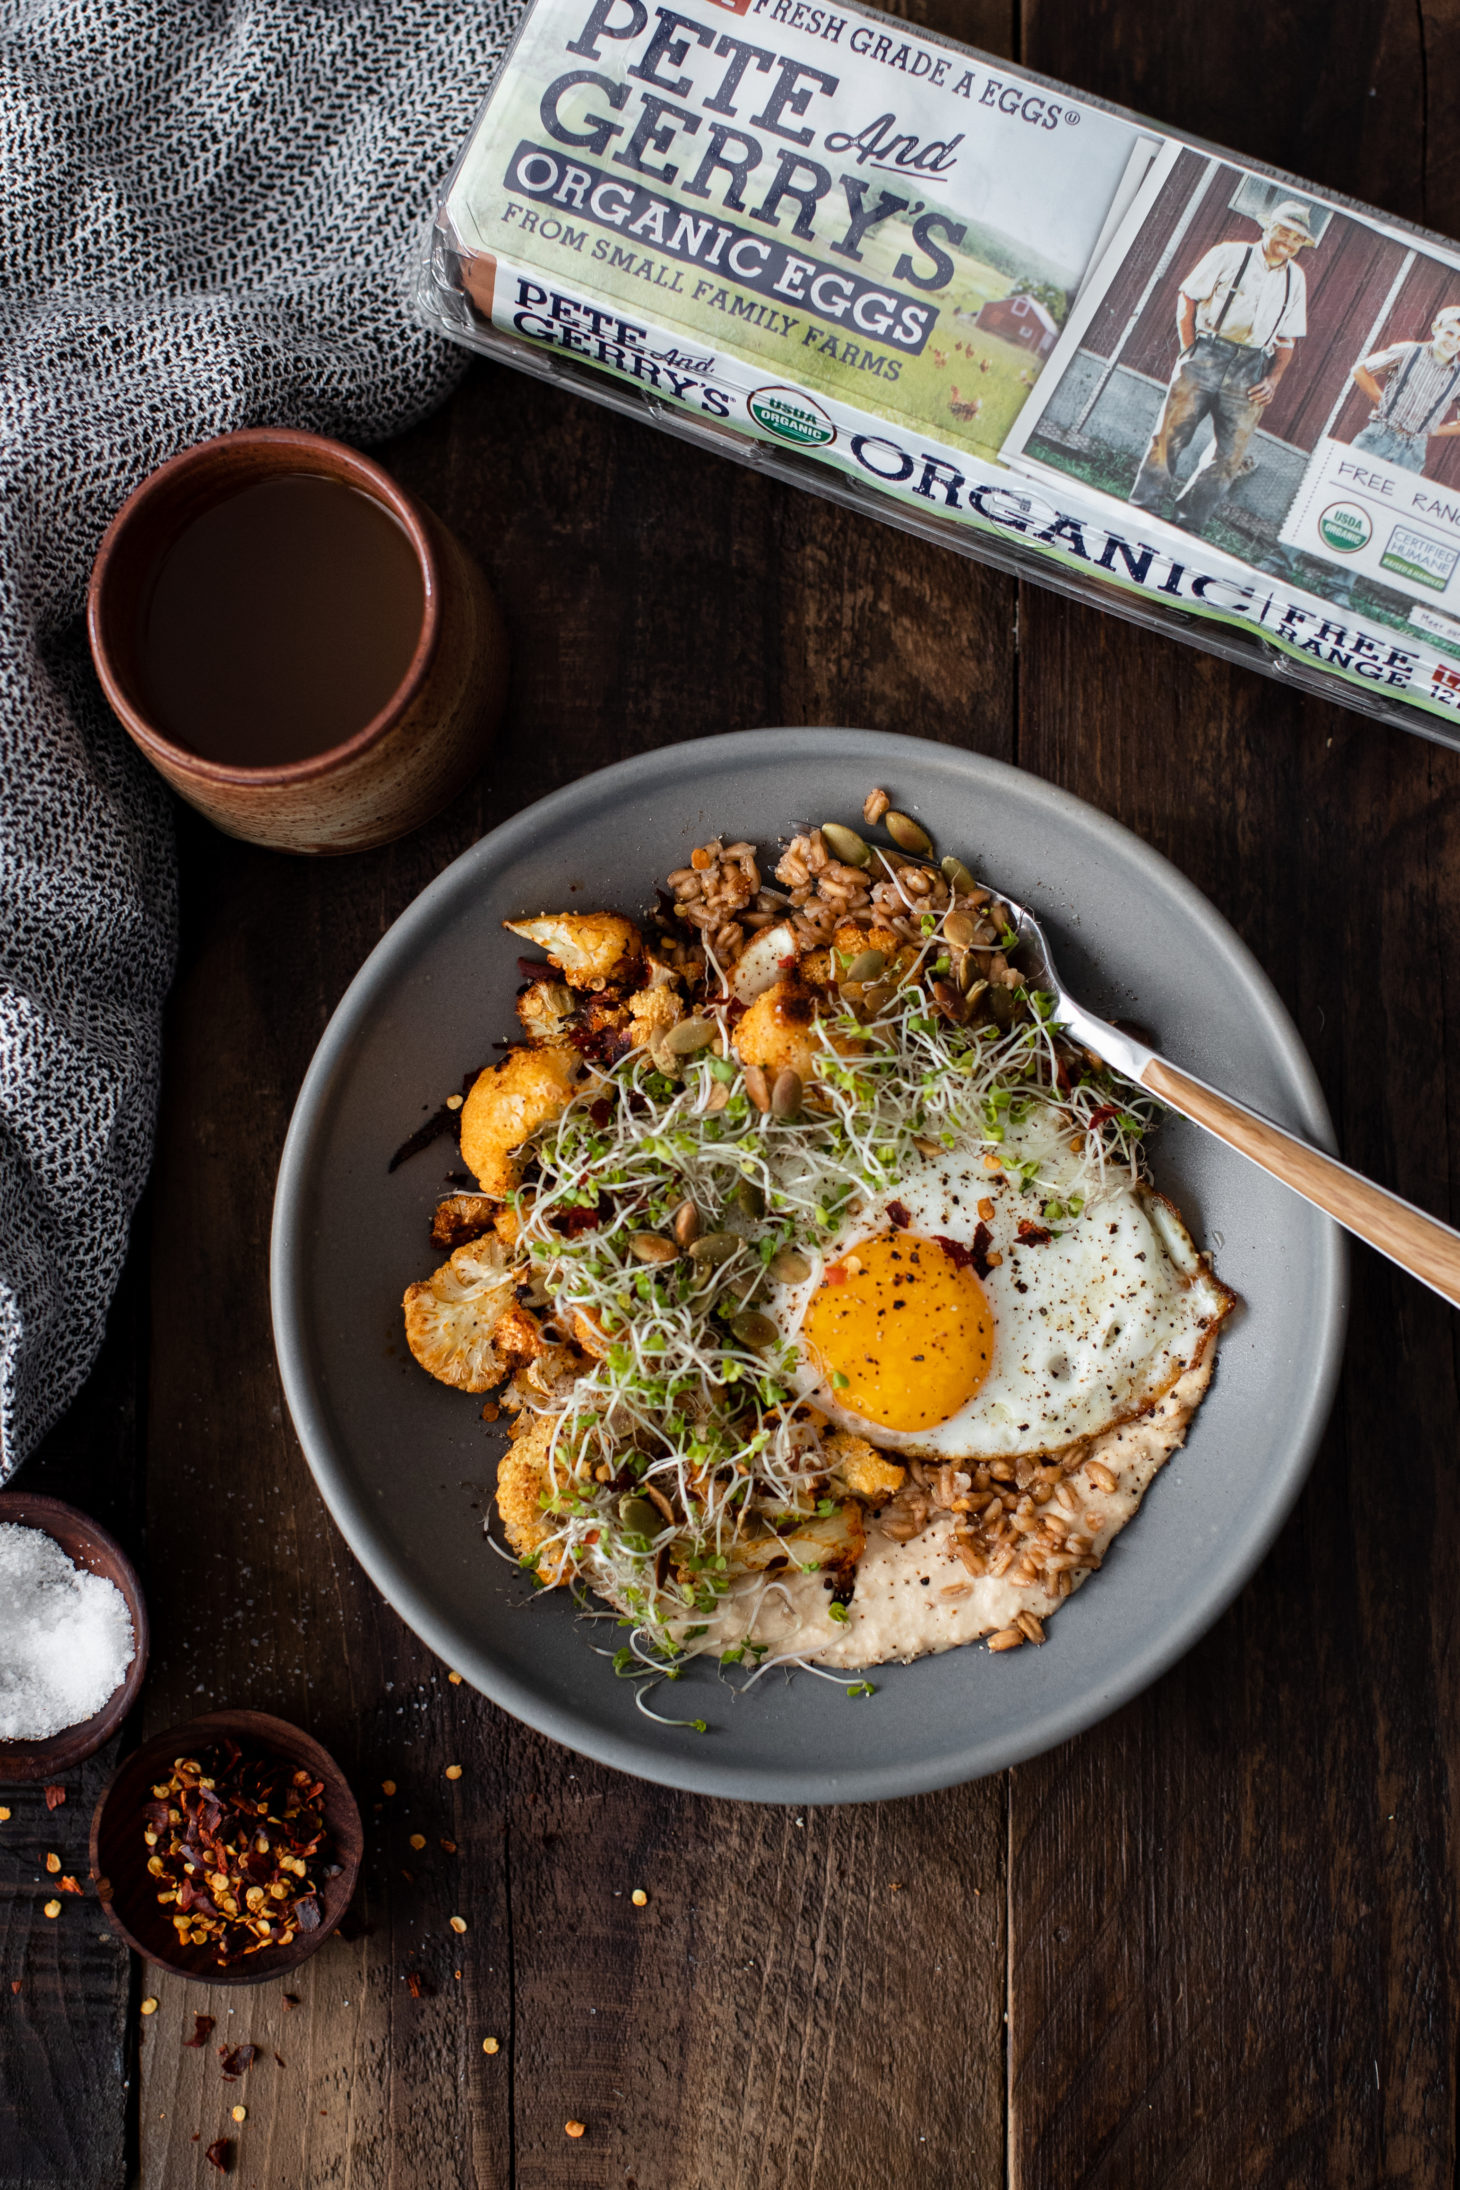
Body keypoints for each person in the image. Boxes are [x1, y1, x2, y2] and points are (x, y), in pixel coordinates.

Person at [1130, 200, 1316, 532]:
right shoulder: (1230, 254)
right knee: (1170, 435)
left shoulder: (1296, 279)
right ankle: (1143, 509)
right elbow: (1187, 297)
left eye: (1297, 238)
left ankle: (1186, 525)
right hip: (1208, 351)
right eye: (1283, 232)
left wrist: (1273, 379)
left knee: (1229, 457)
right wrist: (1190, 350)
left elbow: (1288, 339)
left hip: (1251, 368)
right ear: (1267, 227)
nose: (1289, 242)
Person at [1350, 306, 1460, 472]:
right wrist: (1384, 403)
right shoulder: (1408, 352)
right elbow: (1360, 371)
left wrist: (1433, 429)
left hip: (1413, 451)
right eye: (1450, 333)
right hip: (1379, 435)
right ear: (1436, 328)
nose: (1453, 342)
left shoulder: (1457, 377)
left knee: (1393, 496)